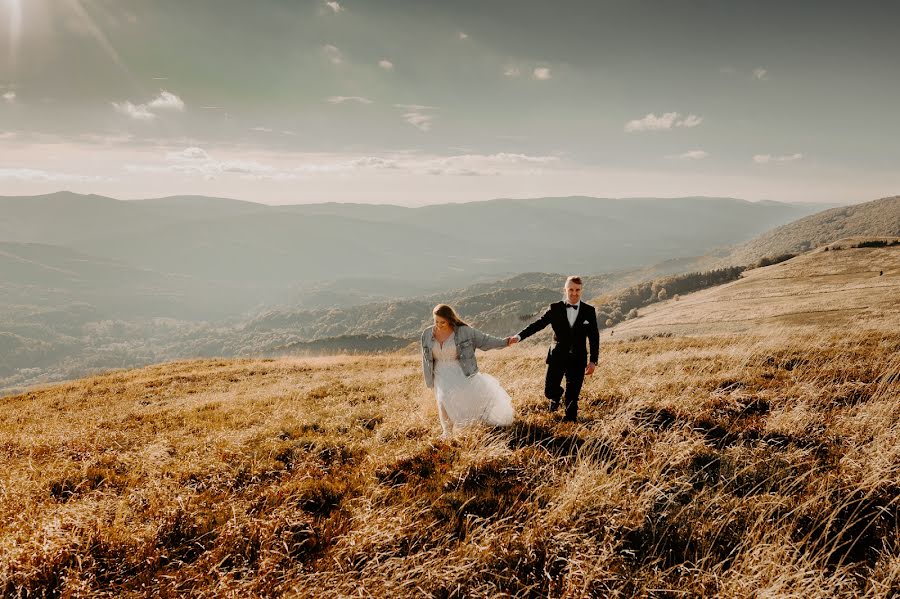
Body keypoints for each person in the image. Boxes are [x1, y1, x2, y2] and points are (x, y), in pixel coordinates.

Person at [509, 276, 599, 423]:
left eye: (577, 290)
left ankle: (570, 430)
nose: (574, 293)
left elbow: (594, 337)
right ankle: (556, 397)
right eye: (571, 289)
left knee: (572, 399)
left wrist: (593, 361)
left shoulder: (589, 311)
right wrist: (519, 337)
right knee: (549, 390)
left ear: (581, 290)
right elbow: (537, 325)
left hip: (578, 359)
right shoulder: (555, 308)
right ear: (565, 290)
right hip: (557, 356)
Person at [421, 304, 515, 438]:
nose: (439, 325)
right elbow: (425, 359)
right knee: (442, 400)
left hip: (460, 370)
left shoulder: (464, 331)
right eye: (436, 321)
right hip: (439, 373)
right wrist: (429, 380)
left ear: (450, 319)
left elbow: (485, 340)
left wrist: (505, 342)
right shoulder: (427, 334)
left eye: (443, 322)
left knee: (464, 398)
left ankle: (478, 421)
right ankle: (447, 432)